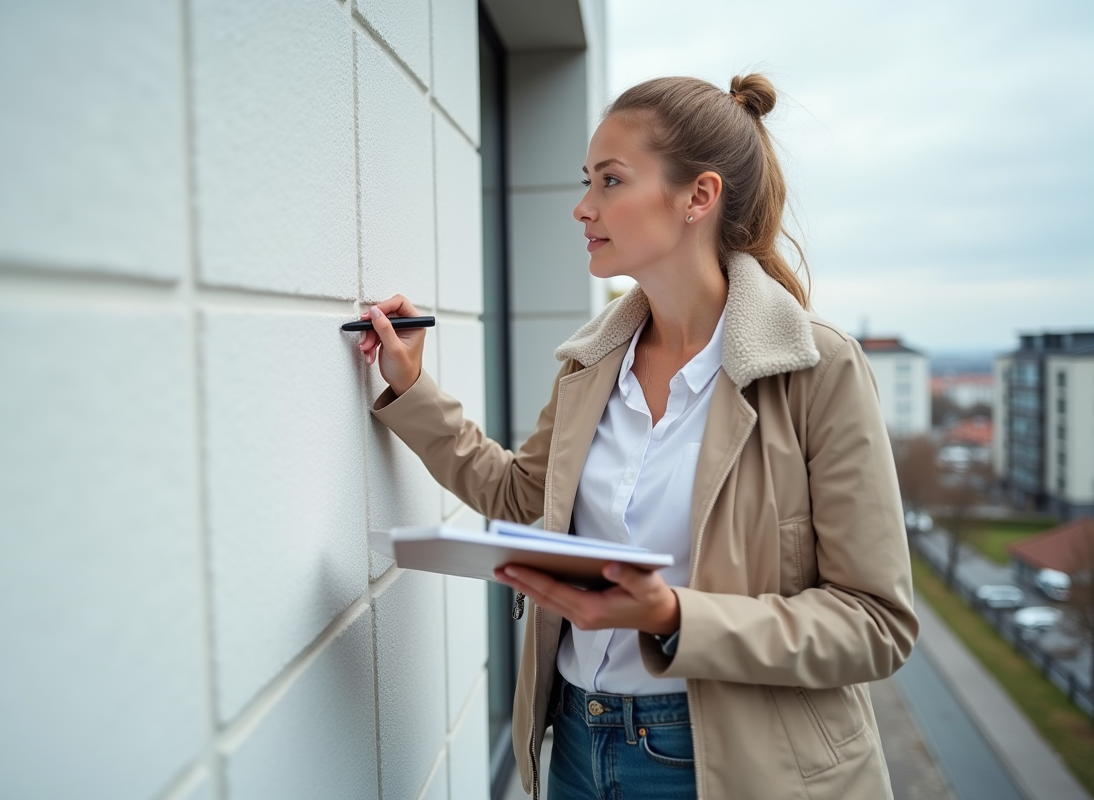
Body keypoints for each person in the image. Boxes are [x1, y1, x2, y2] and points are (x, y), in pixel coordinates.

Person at [353, 74, 917, 800]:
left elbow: (875, 622)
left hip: (734, 765)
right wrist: (410, 387)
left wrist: (672, 616)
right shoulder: (592, 363)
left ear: (698, 197)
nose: (583, 207)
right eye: (587, 180)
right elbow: (522, 498)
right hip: (578, 745)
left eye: (611, 181)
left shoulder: (818, 368)